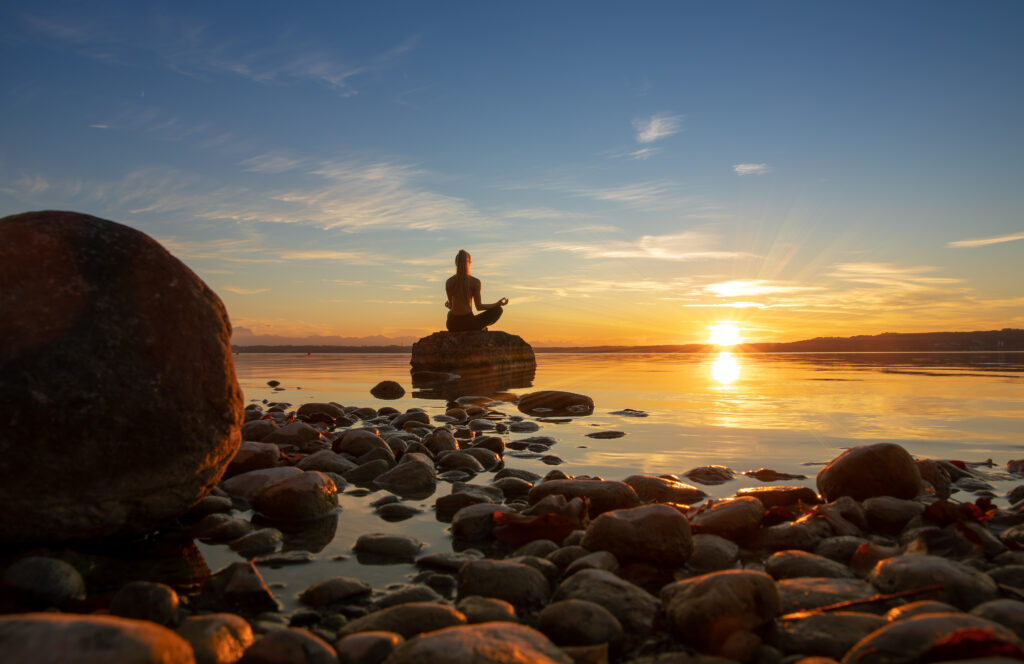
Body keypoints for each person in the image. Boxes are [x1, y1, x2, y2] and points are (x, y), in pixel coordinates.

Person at [445, 249, 508, 332]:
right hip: (468, 323)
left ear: (456, 263)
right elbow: (479, 307)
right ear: (469, 263)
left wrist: (448, 305)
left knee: (450, 313)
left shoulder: (449, 282)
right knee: (498, 310)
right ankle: (480, 328)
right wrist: (497, 304)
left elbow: (452, 306)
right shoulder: (475, 282)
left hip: (451, 324)